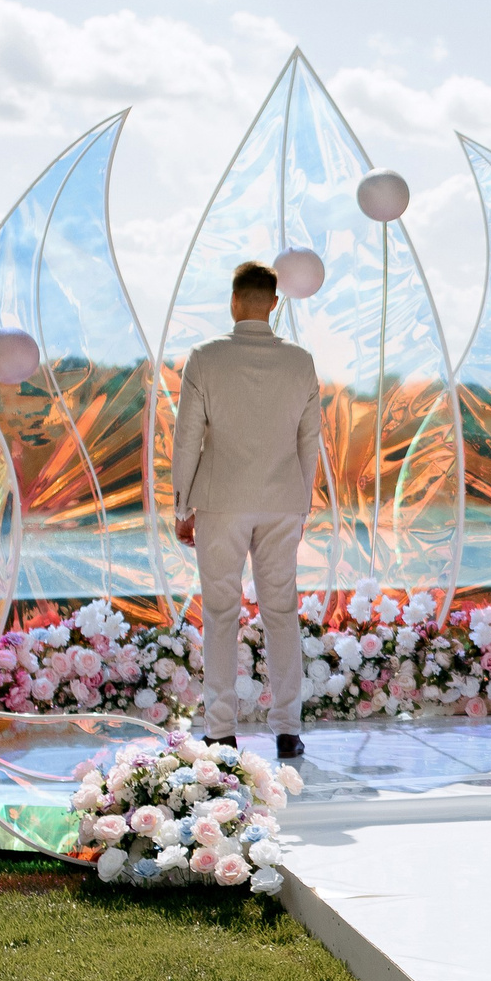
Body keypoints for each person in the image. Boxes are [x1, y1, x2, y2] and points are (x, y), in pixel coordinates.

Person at [171, 260, 321, 761]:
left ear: (234, 302)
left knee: (220, 614)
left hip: (220, 501)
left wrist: (181, 503)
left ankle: (220, 731)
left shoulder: (205, 358)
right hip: (281, 501)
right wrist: (301, 504)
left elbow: (187, 436)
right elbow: (309, 441)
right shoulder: (300, 362)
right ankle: (287, 729)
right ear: (274, 303)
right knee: (281, 612)